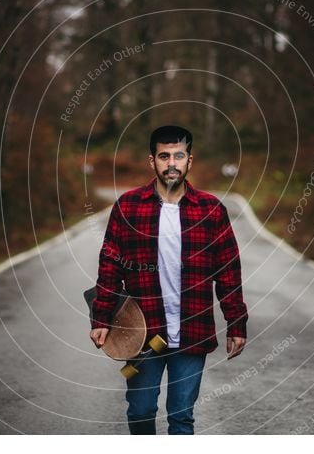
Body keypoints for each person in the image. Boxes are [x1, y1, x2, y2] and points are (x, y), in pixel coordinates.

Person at [89, 125, 248, 435]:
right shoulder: (128, 208)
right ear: (153, 161)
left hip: (193, 332)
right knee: (140, 410)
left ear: (190, 160)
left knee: (182, 417)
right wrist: (101, 318)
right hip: (142, 337)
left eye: (179, 155)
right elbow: (109, 267)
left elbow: (229, 272)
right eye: (164, 156)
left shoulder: (212, 211)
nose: (171, 163)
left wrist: (236, 323)